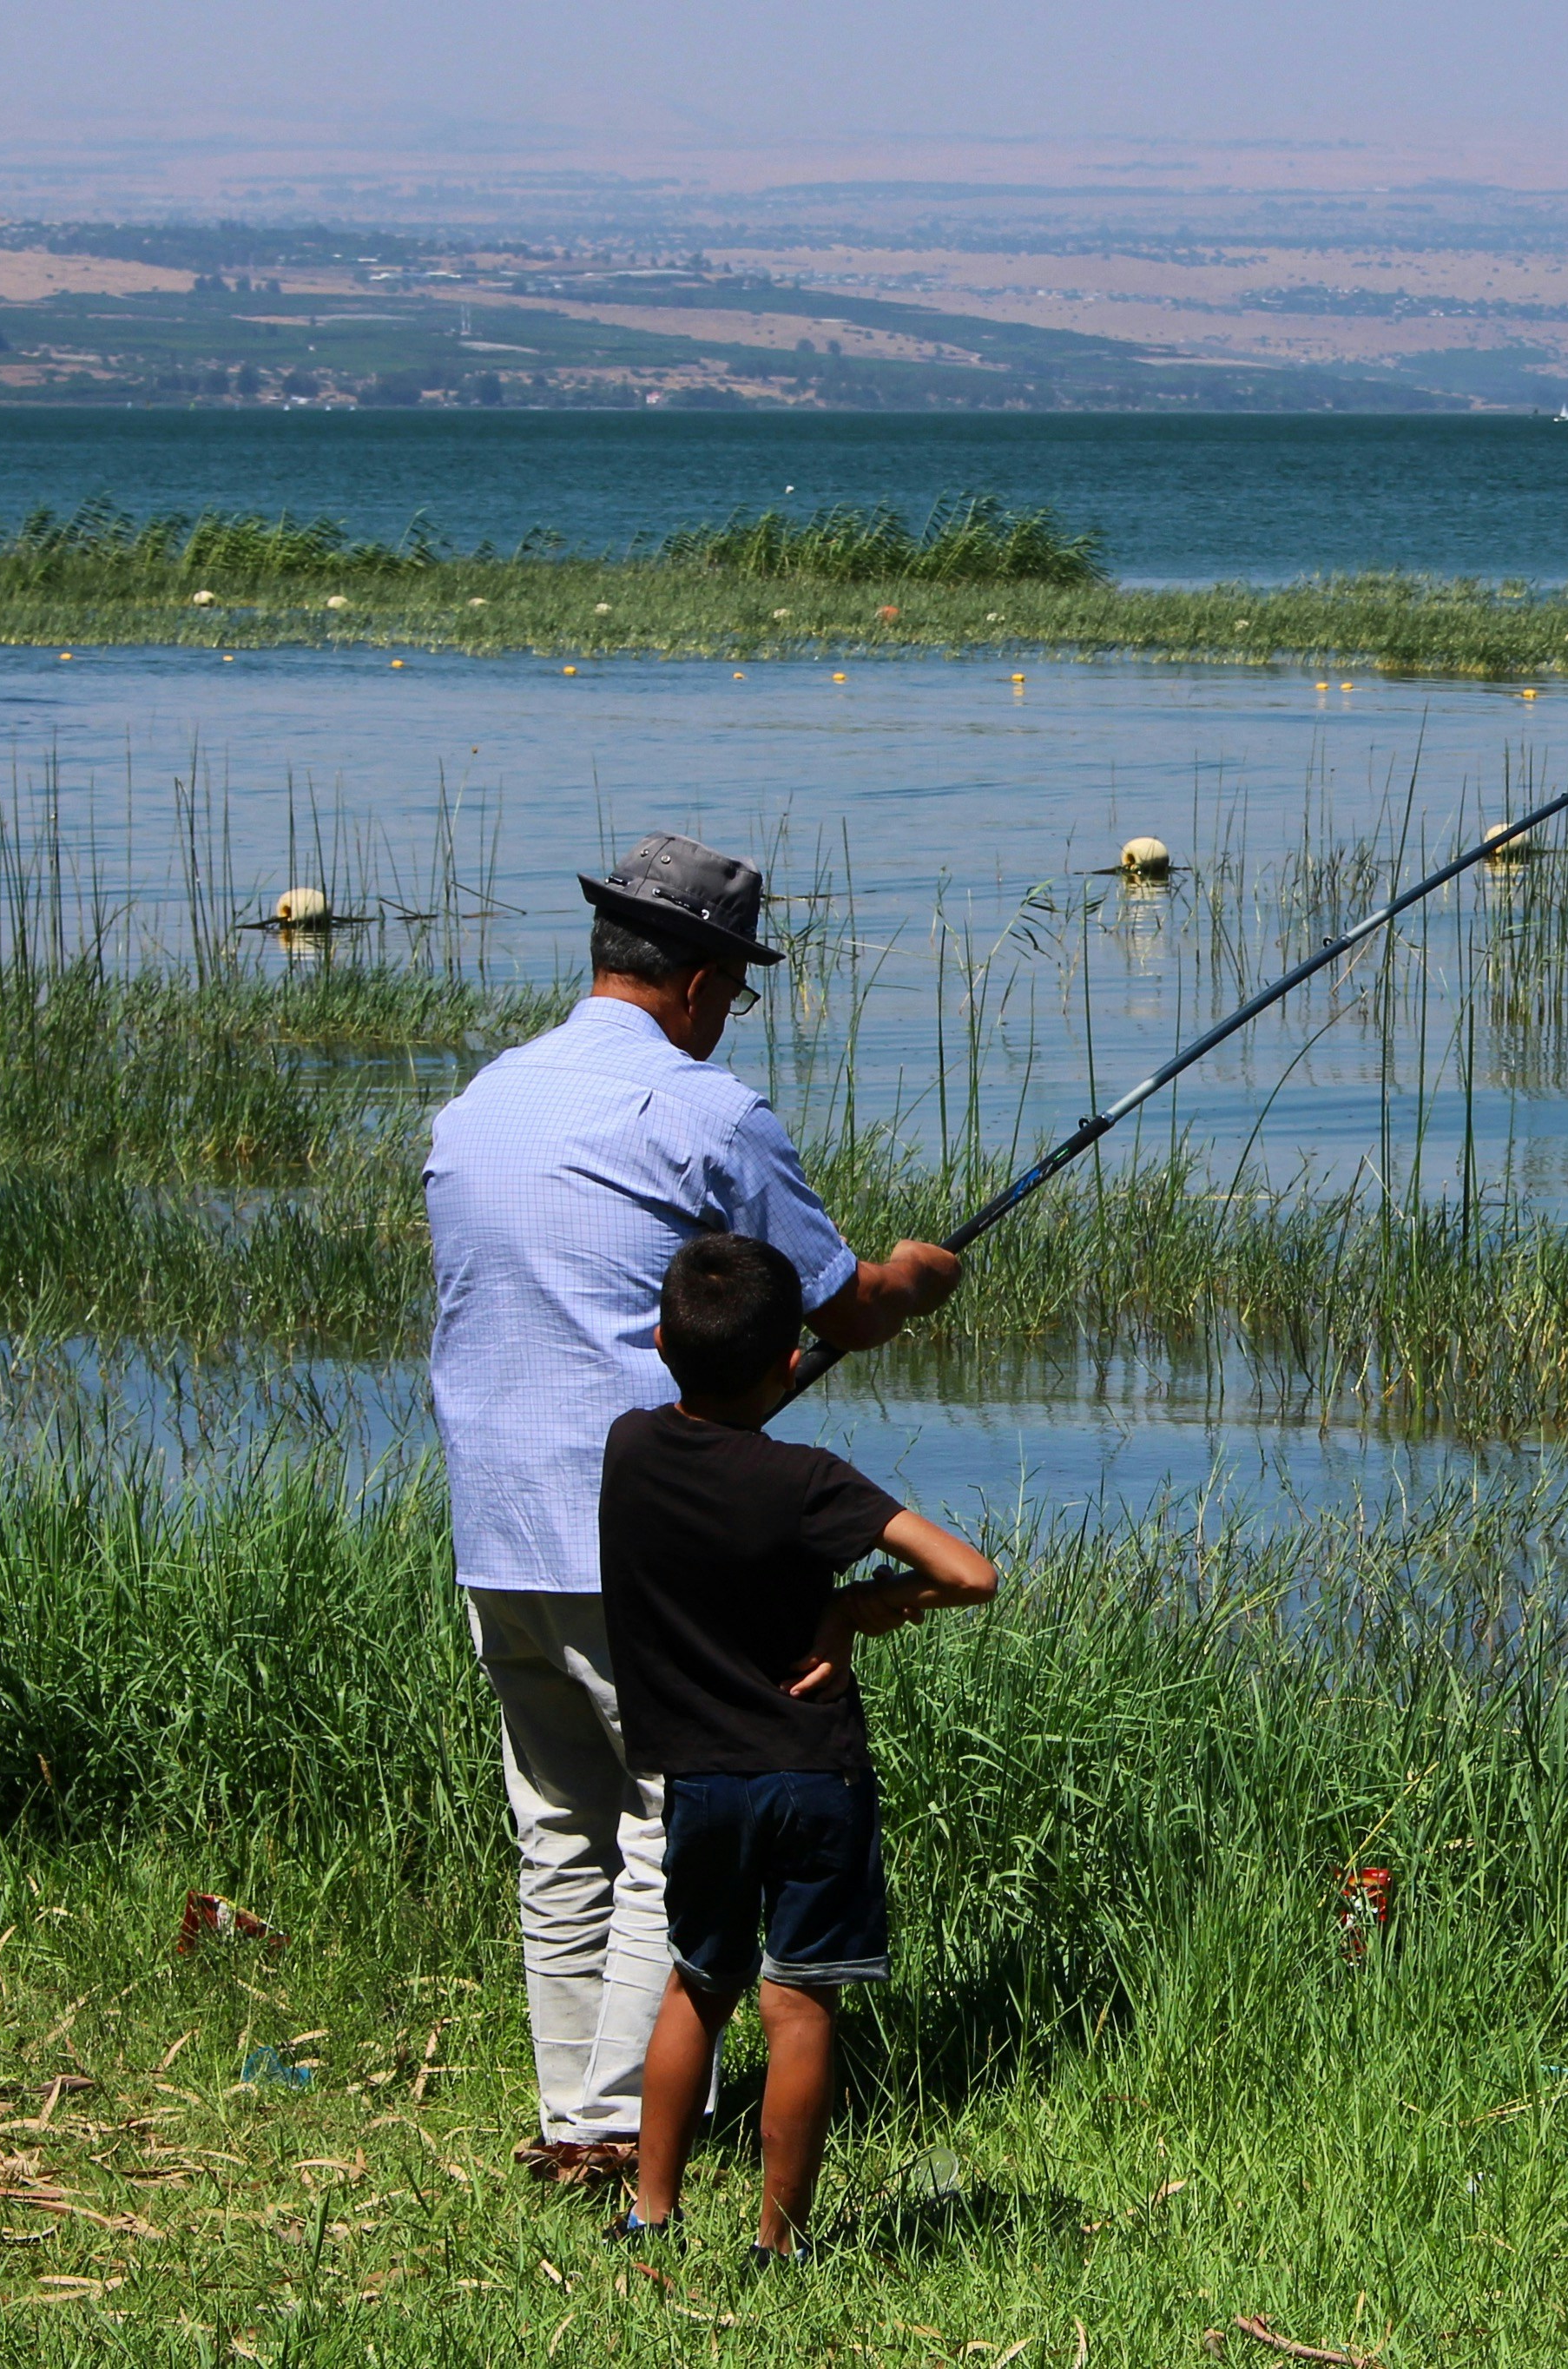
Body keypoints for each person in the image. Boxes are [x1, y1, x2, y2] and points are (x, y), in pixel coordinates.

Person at [425, 832, 964, 2185]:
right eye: (735, 992)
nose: (730, 1017)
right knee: (677, 1821)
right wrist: (920, 1278)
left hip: (492, 1519)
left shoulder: (481, 1098)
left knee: (558, 1826)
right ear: (707, 981)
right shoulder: (708, 1112)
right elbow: (843, 1305)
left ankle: (576, 2113)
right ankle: (618, 2129)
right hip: (640, 1532)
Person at [597, 1231, 998, 2262]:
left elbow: (708, 1449)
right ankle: (781, 2245)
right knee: (798, 2000)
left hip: (704, 1782)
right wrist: (861, 1603)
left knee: (699, 1981)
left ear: (660, 1341)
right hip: (815, 1774)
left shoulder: (627, 1451)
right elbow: (970, 1572)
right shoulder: (811, 1482)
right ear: (789, 1364)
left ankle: (650, 2214)